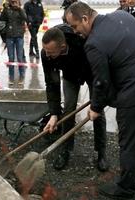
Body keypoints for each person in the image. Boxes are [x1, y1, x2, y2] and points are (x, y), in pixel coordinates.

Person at [65, 2, 135, 199]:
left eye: (74, 26)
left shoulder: (93, 43)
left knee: (128, 143)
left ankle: (125, 190)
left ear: (85, 19)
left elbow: (101, 82)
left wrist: (96, 107)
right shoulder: (123, 16)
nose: (75, 31)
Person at [41, 24, 109, 172]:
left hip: (91, 73)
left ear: (63, 46)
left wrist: (96, 103)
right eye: (46, 51)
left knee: (97, 112)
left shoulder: (81, 41)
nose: (47, 55)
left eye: (51, 52)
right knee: (68, 110)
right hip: (69, 75)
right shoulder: (46, 53)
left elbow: (101, 69)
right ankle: (65, 150)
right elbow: (51, 84)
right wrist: (54, 113)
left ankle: (101, 152)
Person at [0, 0, 27, 85]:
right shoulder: (6, 10)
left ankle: (21, 76)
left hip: (19, 36)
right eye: (13, 1)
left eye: (16, 1)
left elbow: (25, 18)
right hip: (9, 37)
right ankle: (11, 77)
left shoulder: (21, 9)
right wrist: (4, 38)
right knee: (11, 58)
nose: (14, 2)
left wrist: (19, 9)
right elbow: (1, 24)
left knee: (19, 57)